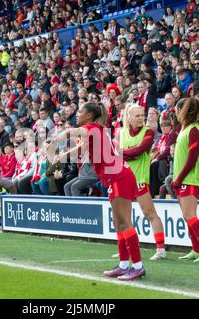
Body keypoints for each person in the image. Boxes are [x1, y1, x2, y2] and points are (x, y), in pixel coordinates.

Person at [48, 102, 145, 281]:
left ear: (89, 116)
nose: (77, 114)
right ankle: (124, 265)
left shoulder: (91, 128)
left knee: (125, 222)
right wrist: (62, 156)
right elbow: (81, 149)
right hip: (115, 177)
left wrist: (54, 141)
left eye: (80, 111)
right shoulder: (95, 130)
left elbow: (70, 133)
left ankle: (138, 266)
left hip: (118, 177)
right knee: (118, 223)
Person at [119, 103, 166, 260]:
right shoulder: (122, 133)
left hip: (139, 179)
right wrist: (126, 154)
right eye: (138, 115)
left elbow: (140, 150)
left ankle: (160, 249)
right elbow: (115, 154)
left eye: (142, 115)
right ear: (129, 117)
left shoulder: (148, 132)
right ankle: (127, 247)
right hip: (124, 179)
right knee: (124, 217)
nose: (141, 118)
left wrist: (123, 153)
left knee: (150, 213)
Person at [172, 97, 199, 263]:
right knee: (187, 216)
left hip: (189, 179)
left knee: (190, 215)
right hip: (181, 179)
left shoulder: (194, 130)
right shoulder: (185, 128)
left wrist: (180, 178)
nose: (176, 112)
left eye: (178, 109)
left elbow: (192, 158)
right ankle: (196, 249)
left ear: (183, 110)